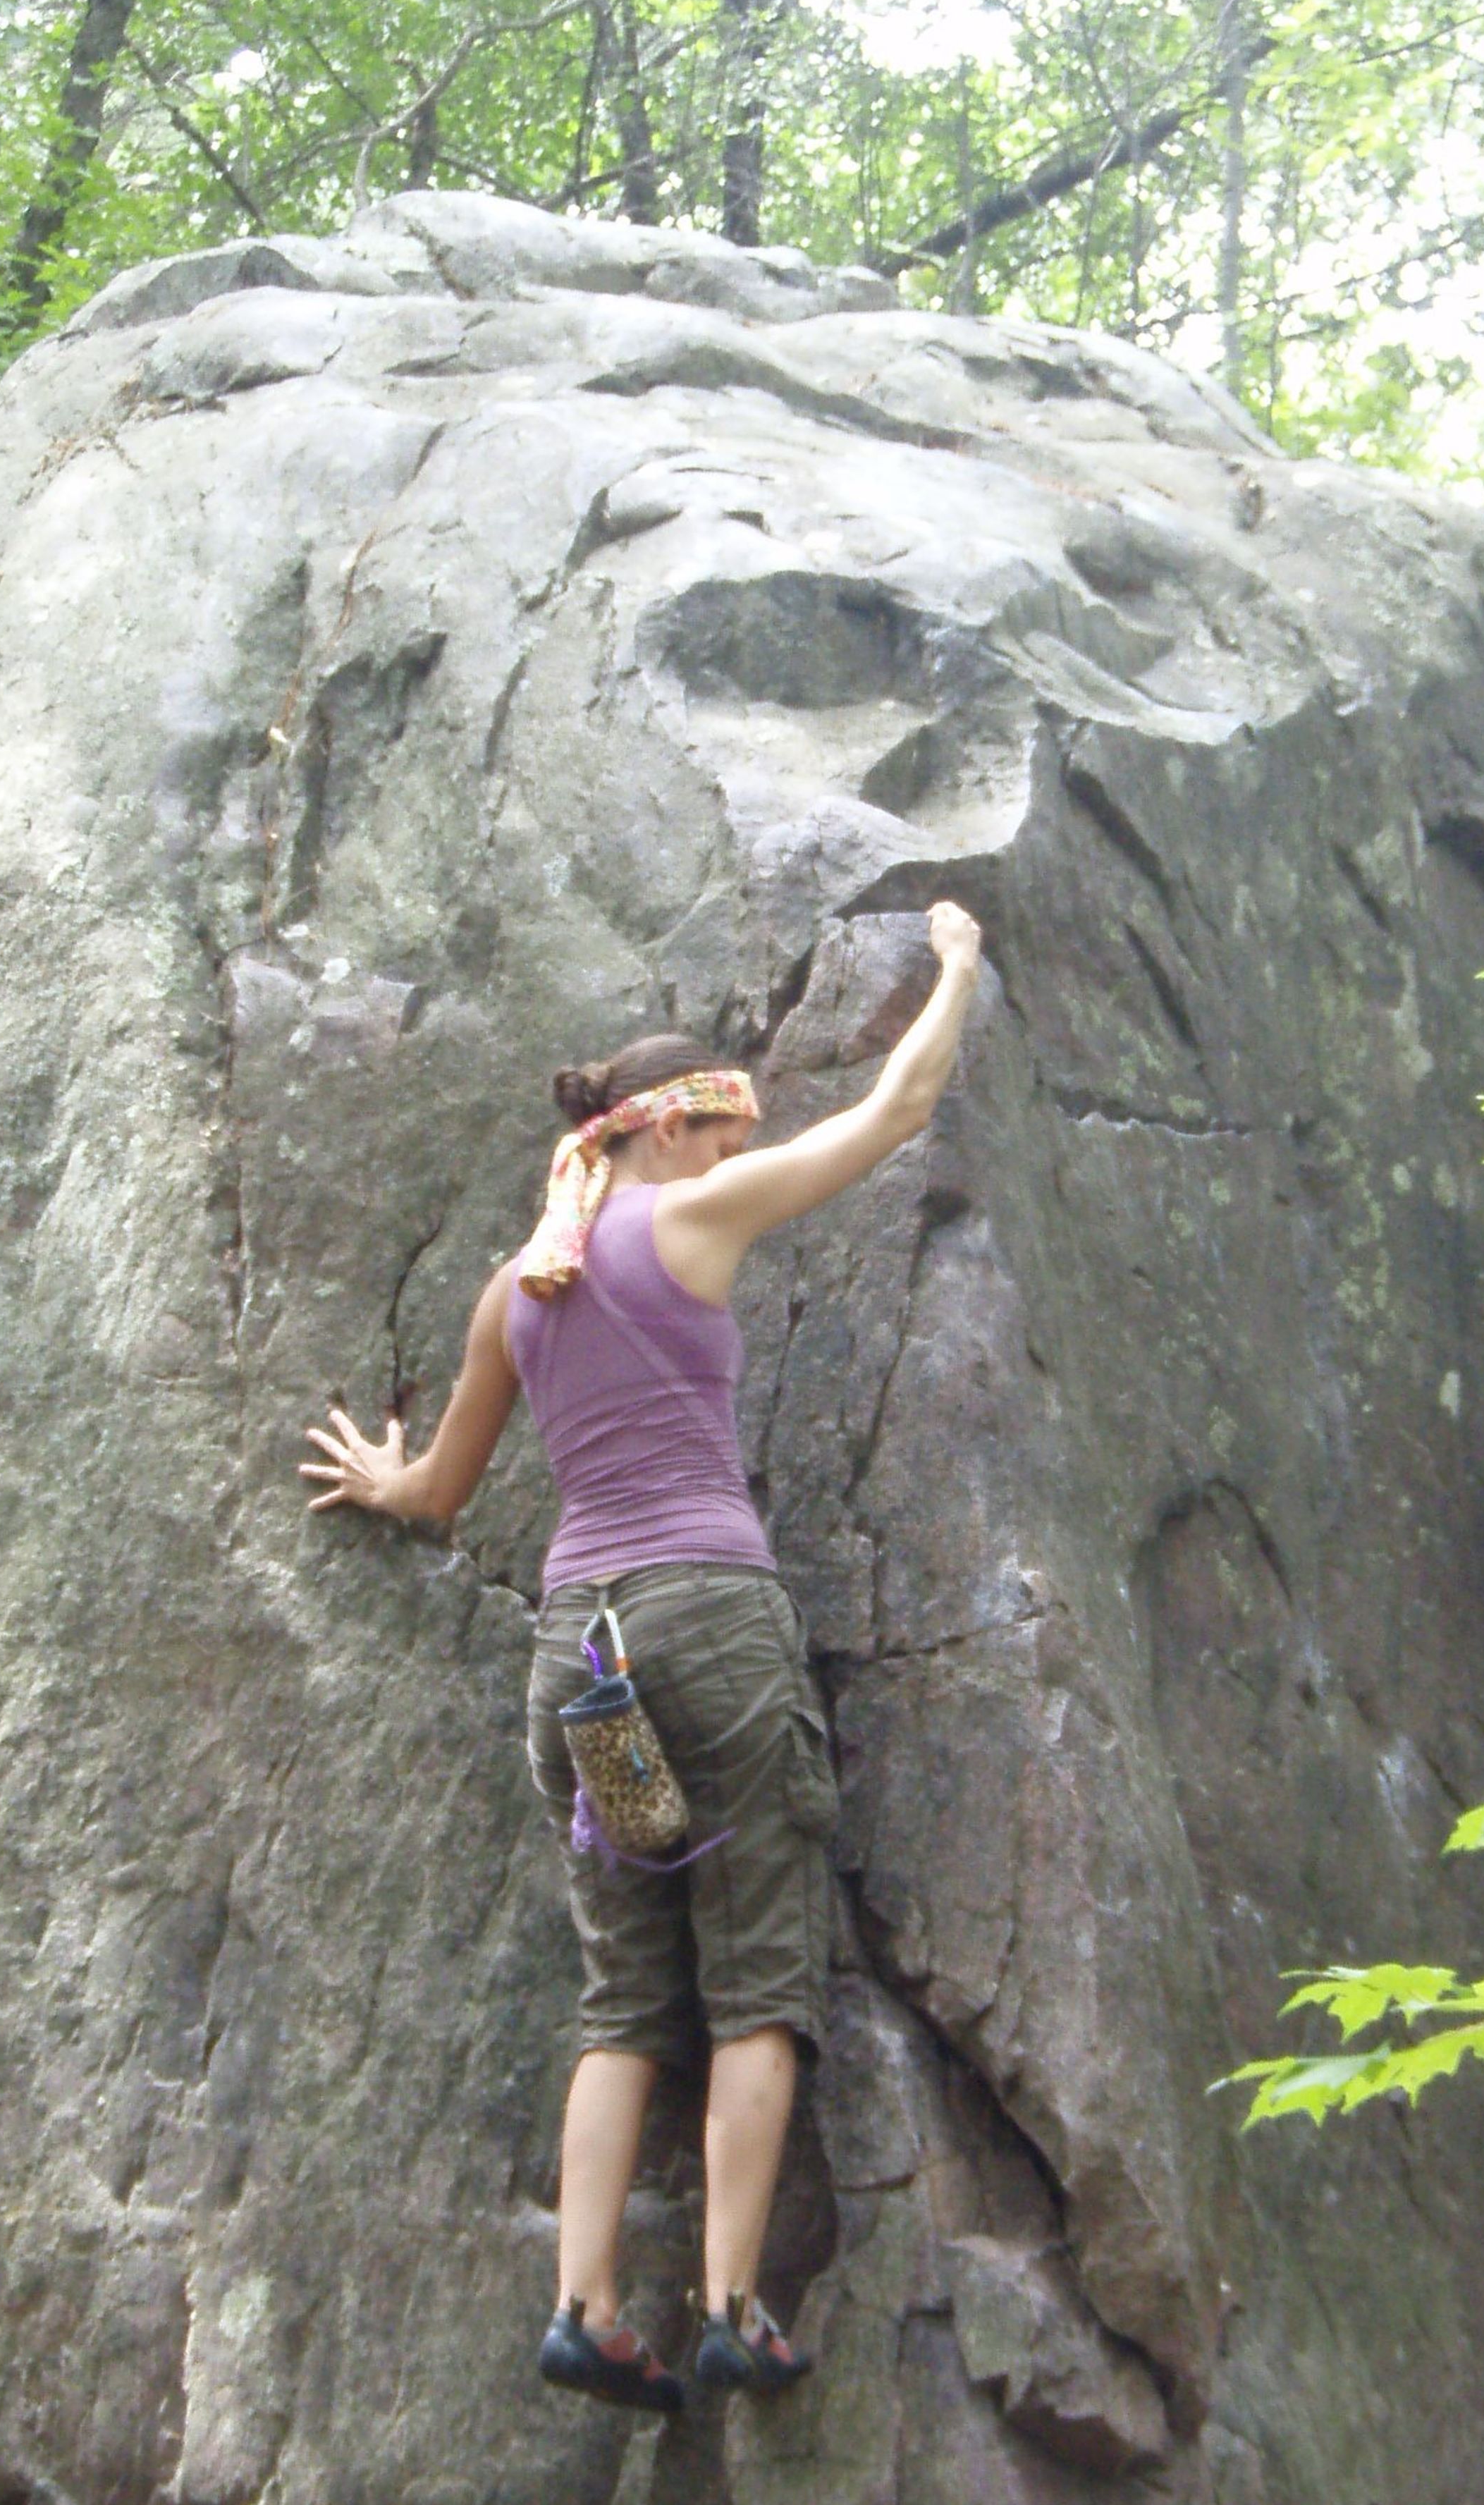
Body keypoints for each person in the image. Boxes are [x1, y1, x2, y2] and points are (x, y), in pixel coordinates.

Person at [302, 902, 986, 2415]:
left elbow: (435, 1500)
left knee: (627, 1997)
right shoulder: (692, 1219)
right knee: (754, 1978)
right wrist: (956, 965)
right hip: (709, 1633)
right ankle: (735, 2305)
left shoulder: (519, 1288)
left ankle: (588, 2305)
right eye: (719, 1134)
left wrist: (382, 1470)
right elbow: (902, 1108)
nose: (726, 1159)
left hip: (586, 1659)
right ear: (676, 1132)